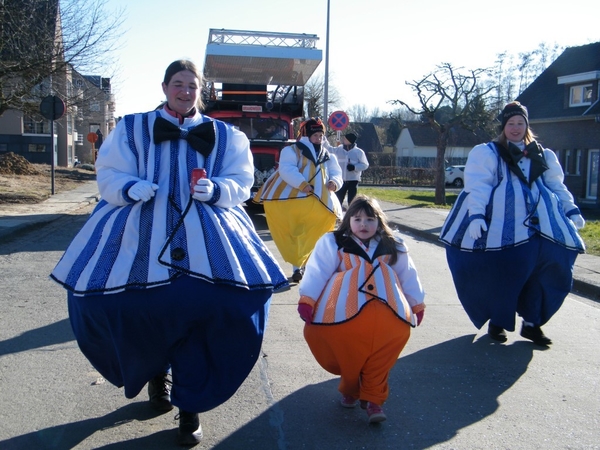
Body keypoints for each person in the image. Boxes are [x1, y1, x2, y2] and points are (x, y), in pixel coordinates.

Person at [50, 59, 288, 446]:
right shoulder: (131, 128)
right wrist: (128, 188)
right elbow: (108, 173)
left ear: (200, 91)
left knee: (217, 307)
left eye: (192, 86)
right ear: (164, 87)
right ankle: (154, 373)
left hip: (208, 229)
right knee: (127, 305)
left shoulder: (227, 136)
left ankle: (189, 404)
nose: (185, 91)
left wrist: (219, 191)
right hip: (140, 228)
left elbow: (242, 180)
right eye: (178, 84)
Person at [439, 101, 586, 346]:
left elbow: (556, 185)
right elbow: (478, 186)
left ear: (527, 125)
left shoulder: (542, 154)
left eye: (520, 123)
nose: (516, 128)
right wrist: (476, 215)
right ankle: (499, 320)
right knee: (509, 270)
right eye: (511, 123)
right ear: (503, 126)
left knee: (552, 265)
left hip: (543, 224)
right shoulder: (488, 152)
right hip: (504, 225)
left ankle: (532, 322)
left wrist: (570, 209)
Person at [297, 195, 425, 423]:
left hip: (390, 314)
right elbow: (318, 272)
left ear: (379, 221)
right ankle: (351, 389)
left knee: (383, 353)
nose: (363, 225)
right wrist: (308, 299)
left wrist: (416, 302)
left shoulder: (393, 244)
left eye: (370, 219)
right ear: (348, 221)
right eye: (357, 219)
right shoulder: (333, 242)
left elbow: (408, 275)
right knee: (348, 352)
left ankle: (374, 401)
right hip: (342, 315)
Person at [254, 117, 343, 282]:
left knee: (316, 235)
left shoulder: (328, 155)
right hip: (293, 200)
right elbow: (287, 169)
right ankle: (297, 268)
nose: (318, 139)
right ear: (306, 135)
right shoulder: (292, 150)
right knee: (296, 234)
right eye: (315, 135)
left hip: (320, 202)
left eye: (320, 136)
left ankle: (308, 266)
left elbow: (336, 172)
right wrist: (301, 184)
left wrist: (335, 182)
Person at [327, 133, 369, 206]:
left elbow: (365, 165)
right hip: (341, 180)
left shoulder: (359, 152)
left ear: (350, 141)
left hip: (353, 180)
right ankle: (337, 215)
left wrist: (354, 167)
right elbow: (328, 149)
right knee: (337, 200)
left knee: (352, 201)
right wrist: (323, 139)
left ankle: (351, 214)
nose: (343, 140)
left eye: (345, 139)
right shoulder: (338, 149)